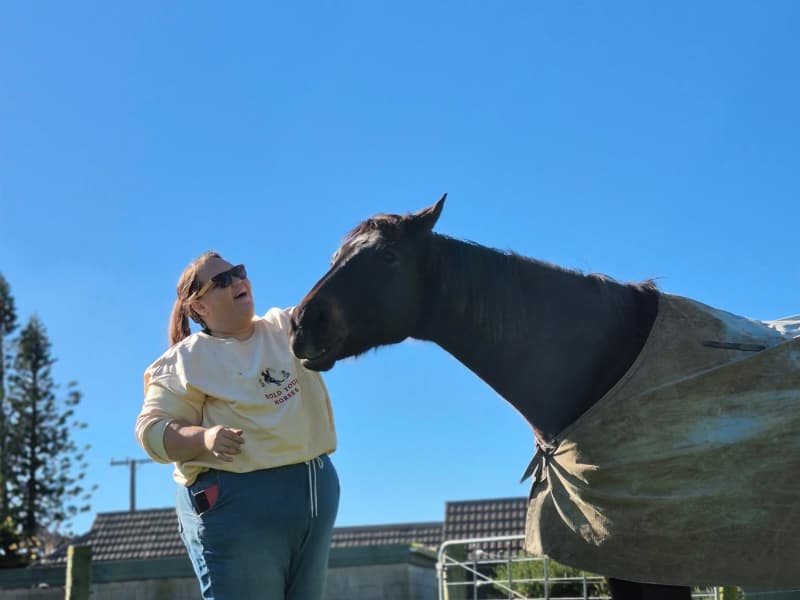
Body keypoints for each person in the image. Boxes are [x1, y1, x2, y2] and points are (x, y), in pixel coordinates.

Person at [135, 251, 339, 600]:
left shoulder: (286, 325)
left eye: (238, 272)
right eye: (222, 281)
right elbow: (151, 431)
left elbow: (344, 310)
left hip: (314, 496)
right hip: (237, 509)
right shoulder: (184, 360)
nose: (237, 281)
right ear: (198, 308)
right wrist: (204, 438)